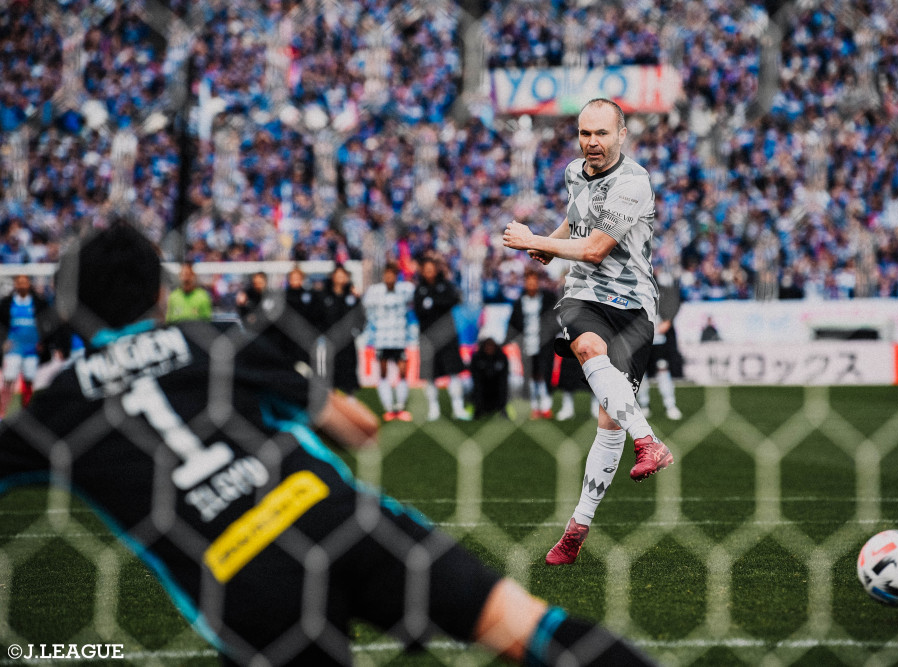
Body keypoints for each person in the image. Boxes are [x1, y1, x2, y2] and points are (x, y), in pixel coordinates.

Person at [0, 222, 657, 667]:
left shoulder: (59, 405)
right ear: (160, 293)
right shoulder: (214, 337)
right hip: (337, 518)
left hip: (241, 578)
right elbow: (357, 427)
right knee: (529, 628)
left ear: (72, 308)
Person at [503, 97, 673, 566]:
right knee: (586, 346)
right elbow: (577, 221)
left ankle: (578, 527)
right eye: (584, 133)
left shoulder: (633, 183)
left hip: (633, 305)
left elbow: (597, 247)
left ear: (622, 135)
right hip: (584, 295)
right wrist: (552, 244)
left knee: (609, 421)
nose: (592, 142)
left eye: (601, 133)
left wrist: (534, 241)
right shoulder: (574, 172)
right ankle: (649, 442)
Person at [413, 255, 470, 421]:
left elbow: (453, 300)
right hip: (428, 338)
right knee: (430, 375)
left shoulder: (445, 285)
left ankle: (458, 408)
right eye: (426, 270)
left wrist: (433, 302)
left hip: (448, 336)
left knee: (454, 372)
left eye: (431, 269)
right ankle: (433, 410)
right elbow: (419, 310)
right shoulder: (419, 290)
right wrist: (437, 303)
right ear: (422, 272)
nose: (429, 273)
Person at [364, 261, 414, 421]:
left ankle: (400, 406)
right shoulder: (375, 291)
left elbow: (415, 298)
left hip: (399, 339)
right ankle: (388, 408)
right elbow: (367, 310)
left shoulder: (405, 290)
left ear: (396, 276)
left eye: (392, 274)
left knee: (403, 372)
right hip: (382, 339)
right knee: (383, 373)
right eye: (387, 274)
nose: (389, 277)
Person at [506, 269, 559, 419]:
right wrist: (510, 340)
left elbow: (555, 318)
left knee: (544, 373)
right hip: (527, 344)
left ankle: (546, 406)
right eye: (528, 281)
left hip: (544, 342)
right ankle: (535, 407)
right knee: (531, 375)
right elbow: (513, 324)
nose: (531, 284)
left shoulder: (548, 299)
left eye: (534, 281)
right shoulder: (519, 302)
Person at [0, 274, 50, 415]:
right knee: (8, 380)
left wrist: (43, 343)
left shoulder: (38, 303)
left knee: (29, 381)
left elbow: (47, 323)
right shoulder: (7, 303)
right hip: (14, 348)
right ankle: (2, 411)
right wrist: (3, 342)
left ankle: (27, 411)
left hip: (32, 348)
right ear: (15, 284)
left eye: (24, 282)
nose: (22, 285)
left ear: (29, 284)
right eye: (19, 282)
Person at [638, 269, 683, 420]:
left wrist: (668, 320)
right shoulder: (634, 290)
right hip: (640, 339)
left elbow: (673, 300)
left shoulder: (662, 291)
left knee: (663, 368)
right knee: (640, 372)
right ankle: (644, 404)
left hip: (659, 338)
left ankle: (670, 404)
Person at [318, 264, 364, 396]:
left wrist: (356, 331)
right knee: (330, 370)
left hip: (347, 340)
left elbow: (360, 316)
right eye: (338, 275)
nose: (340, 278)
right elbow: (317, 317)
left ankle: (350, 397)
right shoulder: (324, 296)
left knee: (349, 369)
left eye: (343, 275)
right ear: (333, 277)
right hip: (330, 340)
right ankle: (330, 399)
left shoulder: (352, 296)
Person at [469, 336, 510, 418]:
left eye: (491, 346)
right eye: (487, 346)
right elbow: (475, 376)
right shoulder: (477, 357)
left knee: (506, 384)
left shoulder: (501, 357)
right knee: (471, 385)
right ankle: (478, 409)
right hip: (482, 384)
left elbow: (504, 376)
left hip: (497, 384)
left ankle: (502, 408)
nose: (489, 348)